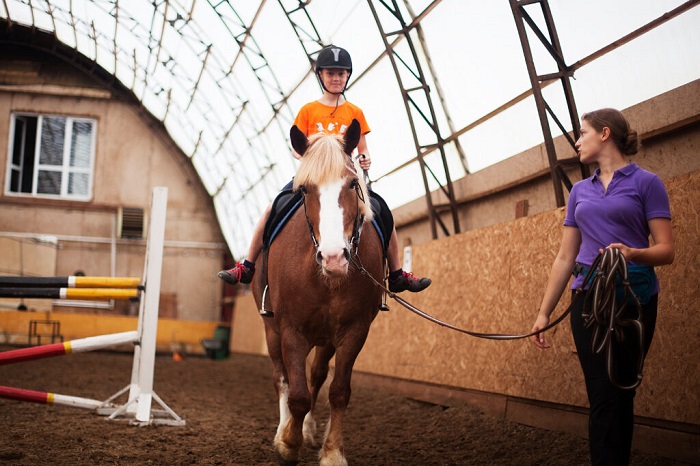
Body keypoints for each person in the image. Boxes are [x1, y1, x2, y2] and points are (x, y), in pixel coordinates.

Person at [219, 45, 431, 294]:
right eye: (330, 73)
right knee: (271, 209)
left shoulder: (354, 112)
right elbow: (296, 149)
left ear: (347, 76)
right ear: (321, 75)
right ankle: (247, 266)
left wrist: (365, 159)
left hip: (344, 178)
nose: (336, 78)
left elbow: (362, 146)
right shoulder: (308, 110)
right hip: (314, 176)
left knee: (383, 212)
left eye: (341, 74)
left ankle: (396, 274)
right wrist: (309, 155)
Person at [530, 108, 674, 465]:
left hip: (635, 297)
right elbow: (566, 256)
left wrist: (633, 252)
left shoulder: (647, 183)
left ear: (605, 134)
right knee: (602, 393)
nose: (577, 141)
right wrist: (544, 312)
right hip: (589, 298)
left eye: (582, 133)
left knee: (622, 391)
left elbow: (666, 250)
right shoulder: (579, 191)